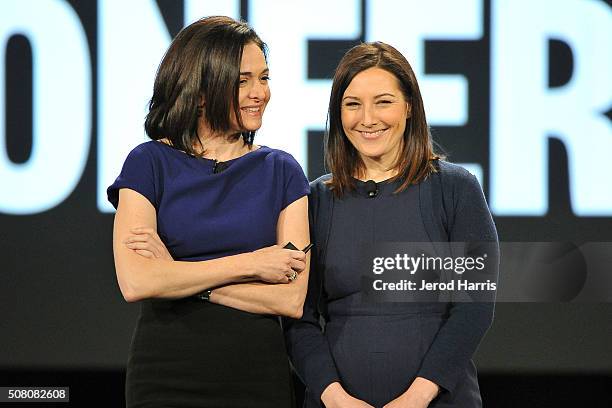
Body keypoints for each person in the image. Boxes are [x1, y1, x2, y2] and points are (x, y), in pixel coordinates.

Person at [107, 16, 310, 408]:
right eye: (242, 81)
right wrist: (253, 263)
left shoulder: (282, 171)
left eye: (263, 78)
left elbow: (290, 300)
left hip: (255, 378)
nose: (259, 93)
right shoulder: (148, 163)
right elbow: (136, 282)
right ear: (200, 92)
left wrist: (178, 276)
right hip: (165, 378)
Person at [284, 42, 499, 408]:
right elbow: (298, 318)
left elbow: (474, 307)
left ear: (409, 106)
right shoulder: (314, 200)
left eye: (383, 101)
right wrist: (334, 398)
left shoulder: (456, 188)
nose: (367, 118)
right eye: (352, 104)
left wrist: (417, 397)